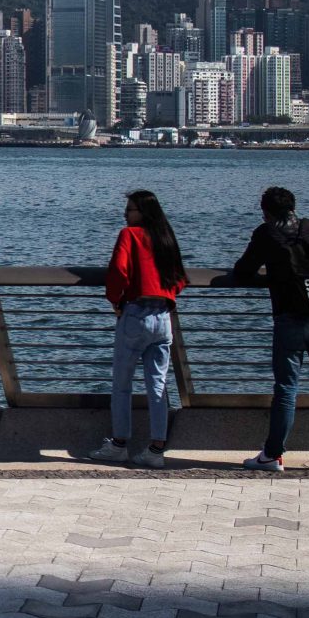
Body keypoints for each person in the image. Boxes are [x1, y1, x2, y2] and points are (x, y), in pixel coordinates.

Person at [229, 186, 309, 473]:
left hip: (289, 319)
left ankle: (273, 455)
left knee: (286, 389)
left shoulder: (266, 234)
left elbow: (243, 270)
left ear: (265, 211)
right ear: (293, 206)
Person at [89, 189, 189, 470]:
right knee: (158, 385)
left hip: (136, 313)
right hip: (163, 317)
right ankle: (156, 450)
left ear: (142, 213)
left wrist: (116, 301)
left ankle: (119, 445)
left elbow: (119, 271)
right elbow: (180, 278)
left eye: (130, 209)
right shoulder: (166, 238)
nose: (125, 213)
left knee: (122, 384)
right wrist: (168, 295)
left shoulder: (129, 235)